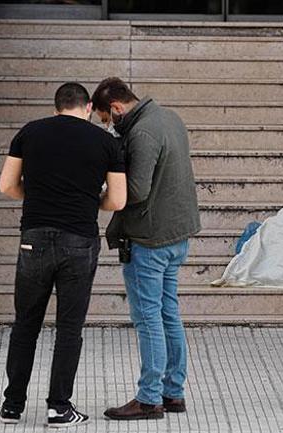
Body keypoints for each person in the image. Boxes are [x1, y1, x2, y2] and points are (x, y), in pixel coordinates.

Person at [0, 82, 127, 427]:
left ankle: (12, 405)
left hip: (34, 238)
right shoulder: (106, 142)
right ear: (87, 108)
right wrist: (88, 201)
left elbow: (7, 186)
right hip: (79, 241)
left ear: (56, 107)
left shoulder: (30, 133)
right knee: (69, 327)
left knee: (26, 323)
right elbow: (118, 201)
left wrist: (40, 197)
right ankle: (59, 407)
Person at [91, 78, 201, 421]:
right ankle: (174, 393)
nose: (108, 127)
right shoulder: (171, 118)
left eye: (106, 120)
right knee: (169, 313)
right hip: (176, 236)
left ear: (116, 108)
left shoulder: (141, 133)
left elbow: (135, 191)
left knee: (148, 318)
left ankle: (149, 398)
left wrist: (95, 196)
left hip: (150, 240)